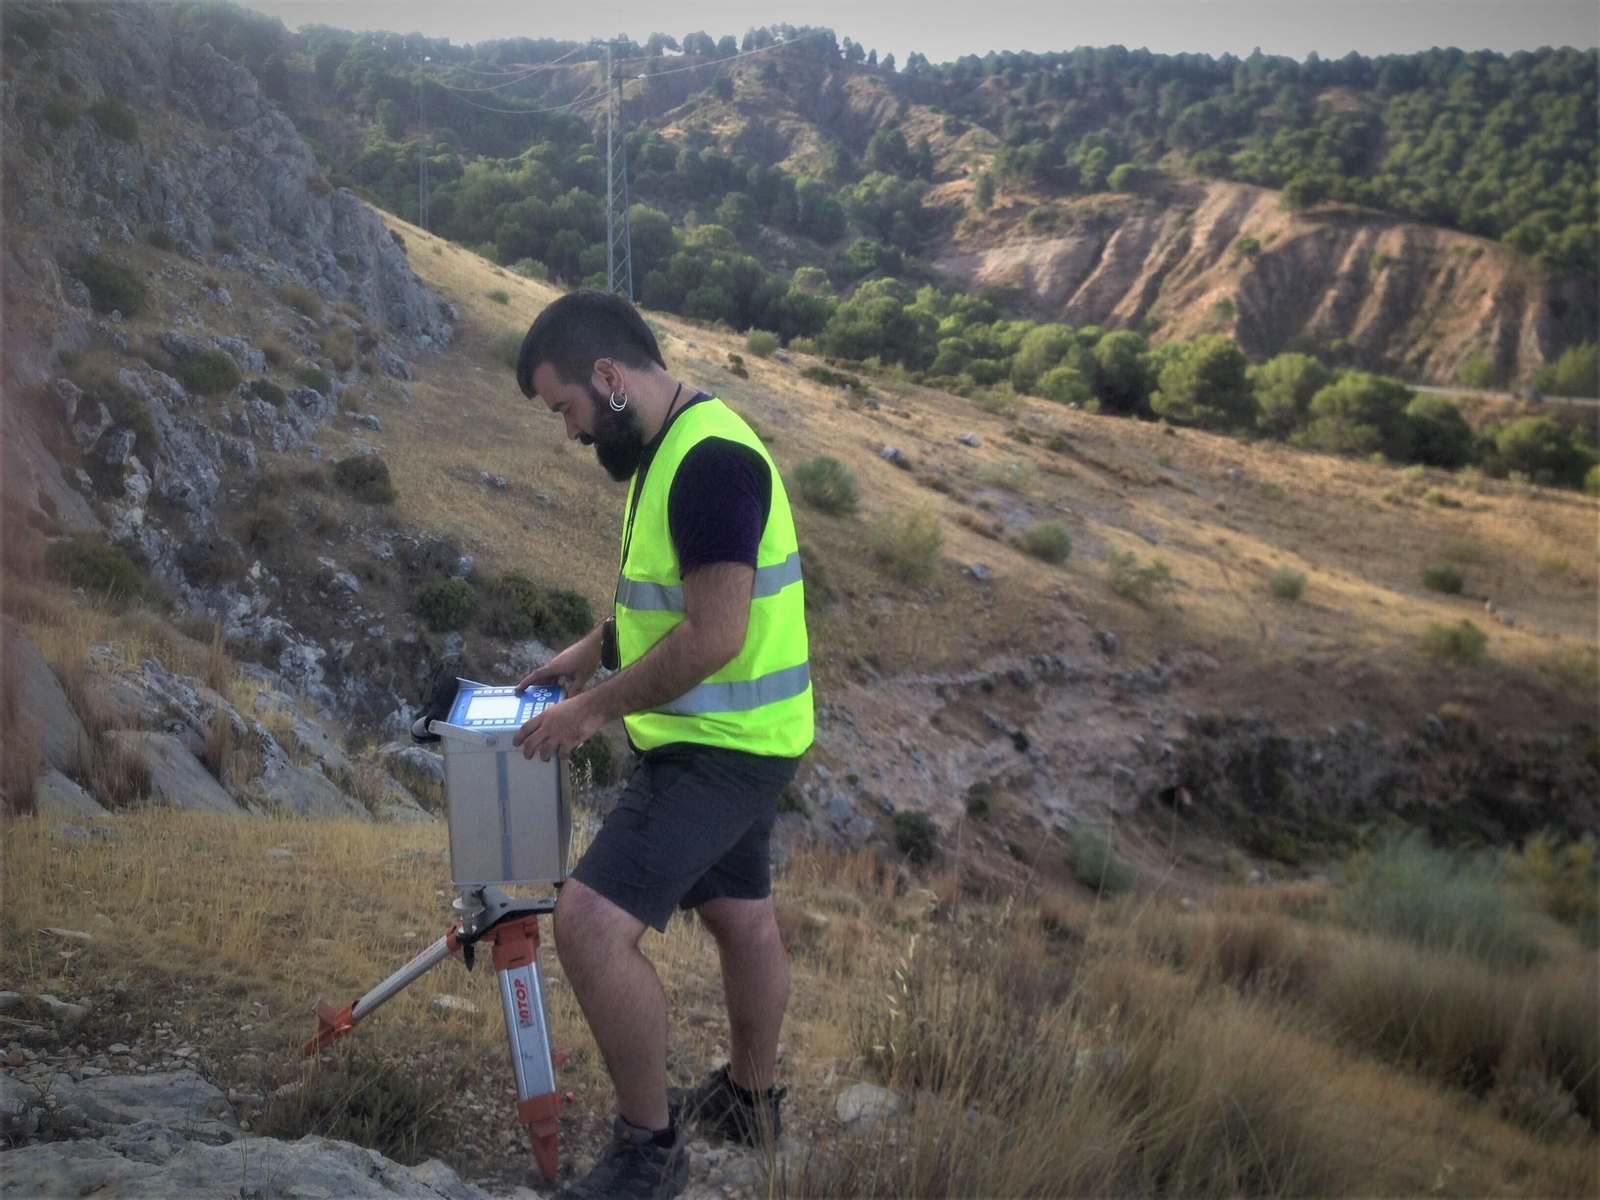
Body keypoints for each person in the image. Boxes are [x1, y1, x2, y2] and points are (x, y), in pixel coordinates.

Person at [508, 291, 813, 1199]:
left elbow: (716, 632)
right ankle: (748, 1103)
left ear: (608, 378)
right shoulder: (674, 442)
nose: (568, 432)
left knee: (591, 928)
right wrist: (591, 648)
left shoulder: (709, 461)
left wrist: (593, 709)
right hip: (750, 735)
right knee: (739, 915)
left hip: (717, 744)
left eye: (564, 408)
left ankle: (650, 1148)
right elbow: (672, 599)